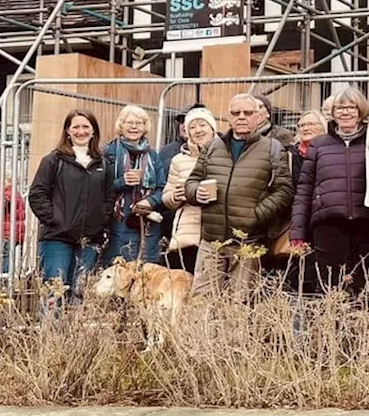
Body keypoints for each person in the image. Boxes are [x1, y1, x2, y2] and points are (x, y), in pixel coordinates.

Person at [184, 93, 294, 298]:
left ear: (259, 116)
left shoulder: (272, 148)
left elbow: (284, 190)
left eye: (248, 112)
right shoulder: (211, 147)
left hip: (248, 241)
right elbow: (192, 181)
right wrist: (195, 192)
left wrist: (257, 215)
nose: (241, 117)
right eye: (236, 113)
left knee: (240, 303)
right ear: (228, 117)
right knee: (201, 302)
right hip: (211, 240)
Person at [290, 88, 369, 293]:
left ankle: (363, 325)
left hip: (366, 222)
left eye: (351, 107)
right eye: (340, 108)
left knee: (365, 285)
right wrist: (297, 232)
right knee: (330, 286)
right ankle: (331, 325)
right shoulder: (318, 144)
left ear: (361, 111)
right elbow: (304, 189)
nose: (345, 112)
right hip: (328, 225)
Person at [27, 109, 113, 305]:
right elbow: (37, 195)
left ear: (93, 131)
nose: (81, 131)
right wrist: (55, 220)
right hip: (57, 239)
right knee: (54, 292)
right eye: (76, 127)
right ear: (67, 131)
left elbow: (109, 198)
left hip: (90, 239)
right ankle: (51, 335)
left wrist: (100, 222)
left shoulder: (104, 164)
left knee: (80, 293)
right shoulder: (53, 160)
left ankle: (74, 335)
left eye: (86, 127)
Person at [103, 105, 166, 265]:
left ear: (145, 126)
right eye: (129, 122)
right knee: (119, 270)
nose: (134, 127)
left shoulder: (152, 155)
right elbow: (99, 187)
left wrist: (150, 202)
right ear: (120, 125)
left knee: (146, 271)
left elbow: (162, 187)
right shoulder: (108, 152)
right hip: (118, 222)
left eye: (139, 123)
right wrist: (121, 182)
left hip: (147, 223)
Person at [159, 105, 218, 274]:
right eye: (192, 127)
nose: (197, 130)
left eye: (202, 125)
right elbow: (166, 196)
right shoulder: (179, 160)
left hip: (216, 229)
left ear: (212, 128)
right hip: (187, 232)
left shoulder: (226, 154)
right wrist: (174, 197)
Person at [289, 110, 326, 185]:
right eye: (302, 125)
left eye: (311, 124)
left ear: (323, 127)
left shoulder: (332, 152)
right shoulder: (290, 156)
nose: (305, 128)